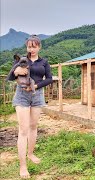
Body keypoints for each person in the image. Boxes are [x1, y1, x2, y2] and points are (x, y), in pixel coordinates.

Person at [6, 35, 53, 178]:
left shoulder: (44, 62)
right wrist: (16, 71)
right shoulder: (22, 61)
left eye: (34, 46)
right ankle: (23, 166)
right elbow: (10, 77)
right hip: (22, 96)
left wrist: (36, 86)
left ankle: (31, 153)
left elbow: (50, 79)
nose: (31, 49)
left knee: (33, 127)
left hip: (37, 95)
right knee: (23, 130)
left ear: (39, 47)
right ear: (27, 47)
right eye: (29, 46)